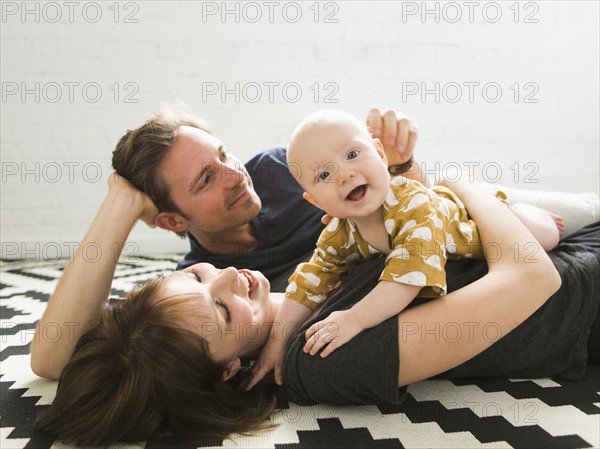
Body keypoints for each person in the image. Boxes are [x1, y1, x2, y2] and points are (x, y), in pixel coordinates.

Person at [29, 112, 599, 446]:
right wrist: (467, 188)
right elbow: (532, 279)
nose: (230, 277)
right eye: (206, 179)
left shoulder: (281, 190)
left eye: (204, 277)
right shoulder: (324, 355)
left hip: (518, 248)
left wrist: (405, 173)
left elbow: (417, 223)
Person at [246, 110, 564, 388]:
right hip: (450, 232)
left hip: (478, 222)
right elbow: (309, 282)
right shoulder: (338, 234)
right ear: (315, 201)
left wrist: (354, 319)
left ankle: (528, 211)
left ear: (381, 156)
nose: (345, 174)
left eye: (353, 154)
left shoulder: (413, 203)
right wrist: (277, 340)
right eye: (324, 175)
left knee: (544, 237)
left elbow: (407, 276)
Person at [110, 105, 420, 292]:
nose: (235, 174)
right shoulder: (203, 282)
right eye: (206, 180)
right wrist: (119, 207)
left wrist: (399, 165)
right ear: (173, 220)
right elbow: (60, 354)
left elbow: (421, 214)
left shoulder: (280, 168)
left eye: (224, 154)